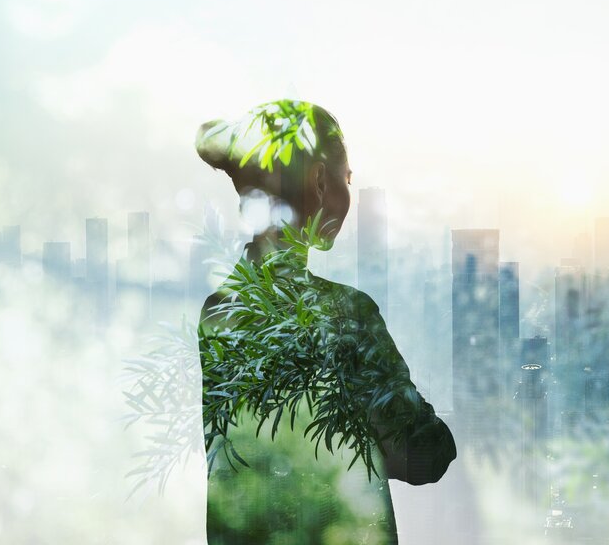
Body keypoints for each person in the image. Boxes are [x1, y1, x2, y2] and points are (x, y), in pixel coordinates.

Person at [195, 100, 456, 545]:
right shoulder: (347, 314)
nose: (349, 193)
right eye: (347, 178)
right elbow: (421, 454)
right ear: (319, 181)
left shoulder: (219, 311)